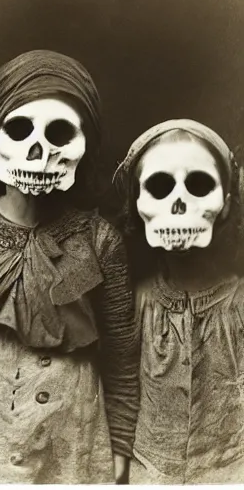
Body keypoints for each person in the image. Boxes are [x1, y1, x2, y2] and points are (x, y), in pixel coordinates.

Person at [0, 49, 139, 484]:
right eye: (18, 131)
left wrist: (120, 451)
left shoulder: (100, 240)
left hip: (74, 444)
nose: (38, 153)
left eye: (60, 135)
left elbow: (122, 356)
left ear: (83, 146)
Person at [113, 119, 244, 483]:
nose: (179, 203)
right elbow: (120, 388)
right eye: (159, 187)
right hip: (149, 473)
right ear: (137, 205)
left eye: (200, 186)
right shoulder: (135, 304)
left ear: (227, 204)